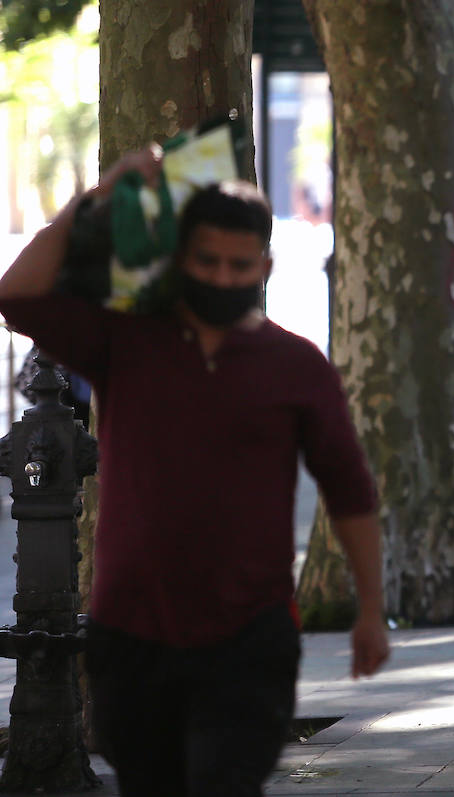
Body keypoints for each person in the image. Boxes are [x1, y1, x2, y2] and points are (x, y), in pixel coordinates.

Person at [0, 147, 390, 794]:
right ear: (182, 259)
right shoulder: (125, 340)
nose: (222, 275)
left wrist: (371, 610)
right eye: (207, 261)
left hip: (250, 639)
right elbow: (15, 294)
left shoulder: (296, 366)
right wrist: (93, 200)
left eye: (240, 265)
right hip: (130, 638)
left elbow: (351, 493)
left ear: (265, 266)